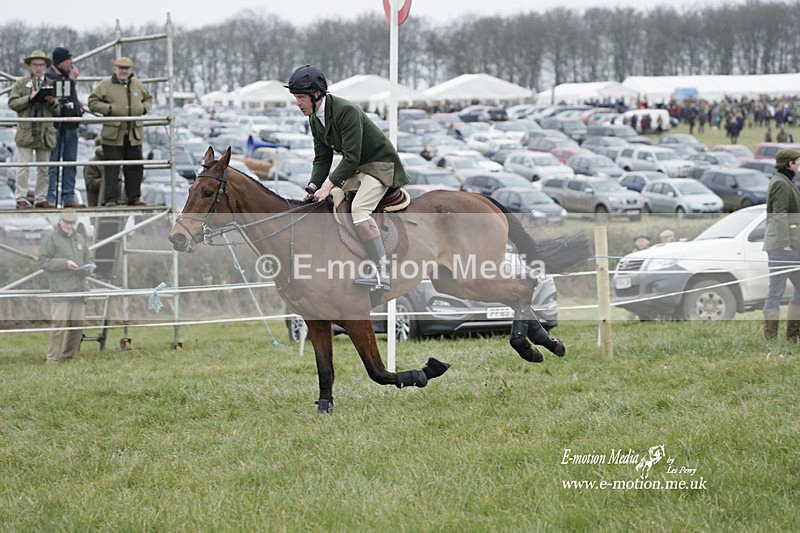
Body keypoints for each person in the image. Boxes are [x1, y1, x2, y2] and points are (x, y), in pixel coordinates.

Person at [285, 64, 410, 291]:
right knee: (329, 201)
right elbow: (322, 159)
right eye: (295, 97)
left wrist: (328, 185)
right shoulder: (315, 119)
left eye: (301, 97)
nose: (298, 103)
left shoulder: (346, 111)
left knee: (359, 210)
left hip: (381, 166)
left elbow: (351, 157)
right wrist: (313, 188)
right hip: (359, 168)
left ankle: (382, 272)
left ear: (316, 95)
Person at [88, 56, 152, 206]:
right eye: (121, 68)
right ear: (115, 69)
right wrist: (108, 109)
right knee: (111, 168)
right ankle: (110, 199)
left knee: (135, 167)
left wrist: (144, 108)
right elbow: (92, 101)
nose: (124, 71)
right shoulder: (106, 85)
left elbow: (148, 98)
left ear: (131, 70)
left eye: (126, 69)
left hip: (133, 134)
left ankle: (134, 197)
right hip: (113, 135)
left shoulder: (138, 85)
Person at [39, 208, 94, 363]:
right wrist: (64, 264)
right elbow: (43, 261)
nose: (69, 226)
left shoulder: (80, 239)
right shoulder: (51, 238)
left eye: (72, 223)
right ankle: (52, 359)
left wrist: (87, 269)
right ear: (60, 221)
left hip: (79, 289)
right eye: (67, 222)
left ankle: (68, 357)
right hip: (61, 289)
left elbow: (89, 259)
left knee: (78, 326)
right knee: (59, 325)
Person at [7, 50, 61, 209]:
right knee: (23, 168)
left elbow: (58, 112)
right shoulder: (21, 83)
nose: (38, 68)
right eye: (35, 65)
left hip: (45, 133)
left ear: (46, 66)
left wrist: (52, 102)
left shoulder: (52, 84)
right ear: (30, 66)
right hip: (26, 131)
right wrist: (29, 98)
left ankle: (40, 198)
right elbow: (12, 103)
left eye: (41, 65)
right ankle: (21, 199)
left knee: (44, 169)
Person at [762, 149, 800, 341]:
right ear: (789, 164)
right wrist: (785, 242)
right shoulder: (780, 183)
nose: (799, 165)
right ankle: (770, 339)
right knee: (776, 291)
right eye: (797, 162)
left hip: (792, 248)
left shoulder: (785, 181)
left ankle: (792, 337)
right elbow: (779, 215)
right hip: (781, 247)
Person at [46, 46, 85, 208]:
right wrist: (71, 81)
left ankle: (68, 196)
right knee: (53, 164)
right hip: (57, 126)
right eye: (68, 59)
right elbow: (61, 97)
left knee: (70, 163)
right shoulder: (49, 76)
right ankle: (51, 197)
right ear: (60, 61)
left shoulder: (66, 75)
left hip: (71, 124)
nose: (71, 62)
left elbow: (71, 98)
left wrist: (78, 107)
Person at [83, 137, 107, 207]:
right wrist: (106, 180)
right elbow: (90, 184)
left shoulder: (115, 161)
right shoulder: (91, 164)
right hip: (96, 203)